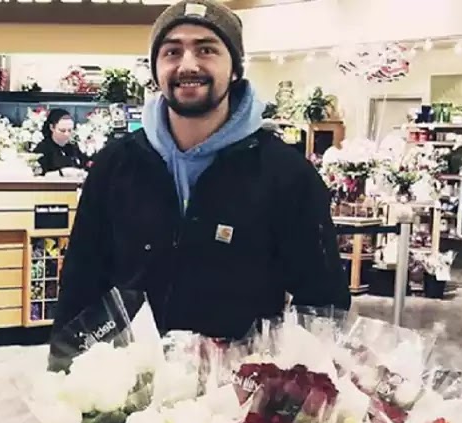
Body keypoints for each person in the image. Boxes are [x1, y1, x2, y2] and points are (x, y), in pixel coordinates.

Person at [50, 0, 350, 365]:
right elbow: (82, 280)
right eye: (172, 51)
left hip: (237, 400)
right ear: (156, 69)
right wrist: (63, 374)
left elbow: (322, 302)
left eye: (206, 49)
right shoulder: (117, 164)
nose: (188, 64)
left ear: (235, 67)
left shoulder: (286, 174)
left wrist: (299, 395)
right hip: (126, 394)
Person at [33, 108, 89, 177]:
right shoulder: (43, 148)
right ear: (52, 128)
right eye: (62, 131)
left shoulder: (73, 148)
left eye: (70, 130)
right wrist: (62, 173)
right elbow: (38, 175)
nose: (67, 134)